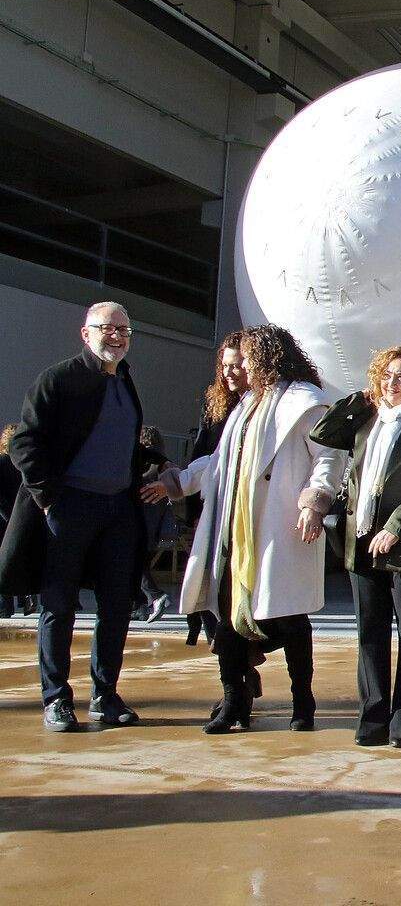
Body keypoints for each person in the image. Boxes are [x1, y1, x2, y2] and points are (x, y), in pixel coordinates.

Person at [143, 325, 340, 734]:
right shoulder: (246, 406)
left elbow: (329, 459)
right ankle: (234, 703)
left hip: (277, 527)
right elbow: (217, 463)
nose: (242, 366)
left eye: (248, 358)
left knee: (289, 618)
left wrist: (313, 503)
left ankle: (303, 702)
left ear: (266, 357)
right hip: (233, 532)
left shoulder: (306, 402)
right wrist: (176, 483)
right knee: (227, 618)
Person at [0, 302, 147, 732]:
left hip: (117, 509)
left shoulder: (124, 379)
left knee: (117, 604)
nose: (117, 336)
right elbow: (24, 441)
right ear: (86, 334)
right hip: (69, 507)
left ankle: (105, 695)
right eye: (108, 328)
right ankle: (56, 698)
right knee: (58, 605)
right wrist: (49, 498)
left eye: (125, 329)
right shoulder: (59, 378)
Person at [311, 344, 401, 748]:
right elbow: (322, 432)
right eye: (387, 375)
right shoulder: (368, 419)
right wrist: (360, 397)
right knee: (370, 635)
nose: (393, 383)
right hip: (361, 541)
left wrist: (396, 528)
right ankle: (372, 720)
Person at [183, 330, 248, 648]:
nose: (229, 373)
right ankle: (233, 667)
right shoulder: (216, 405)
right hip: (215, 507)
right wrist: (194, 511)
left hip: (246, 512)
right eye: (225, 366)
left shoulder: (262, 406)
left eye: (236, 365)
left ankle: (241, 664)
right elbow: (201, 455)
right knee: (211, 585)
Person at [133, 426, 175, 624]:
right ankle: (140, 606)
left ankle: (156, 596)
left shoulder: (147, 463)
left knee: (134, 563)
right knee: (141, 563)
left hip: (140, 520)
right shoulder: (164, 465)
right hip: (155, 524)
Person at [0, 423, 33, 619]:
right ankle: (25, 600)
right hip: (21, 516)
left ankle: (6, 606)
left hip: (5, 519)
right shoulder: (24, 463)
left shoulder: (3, 463)